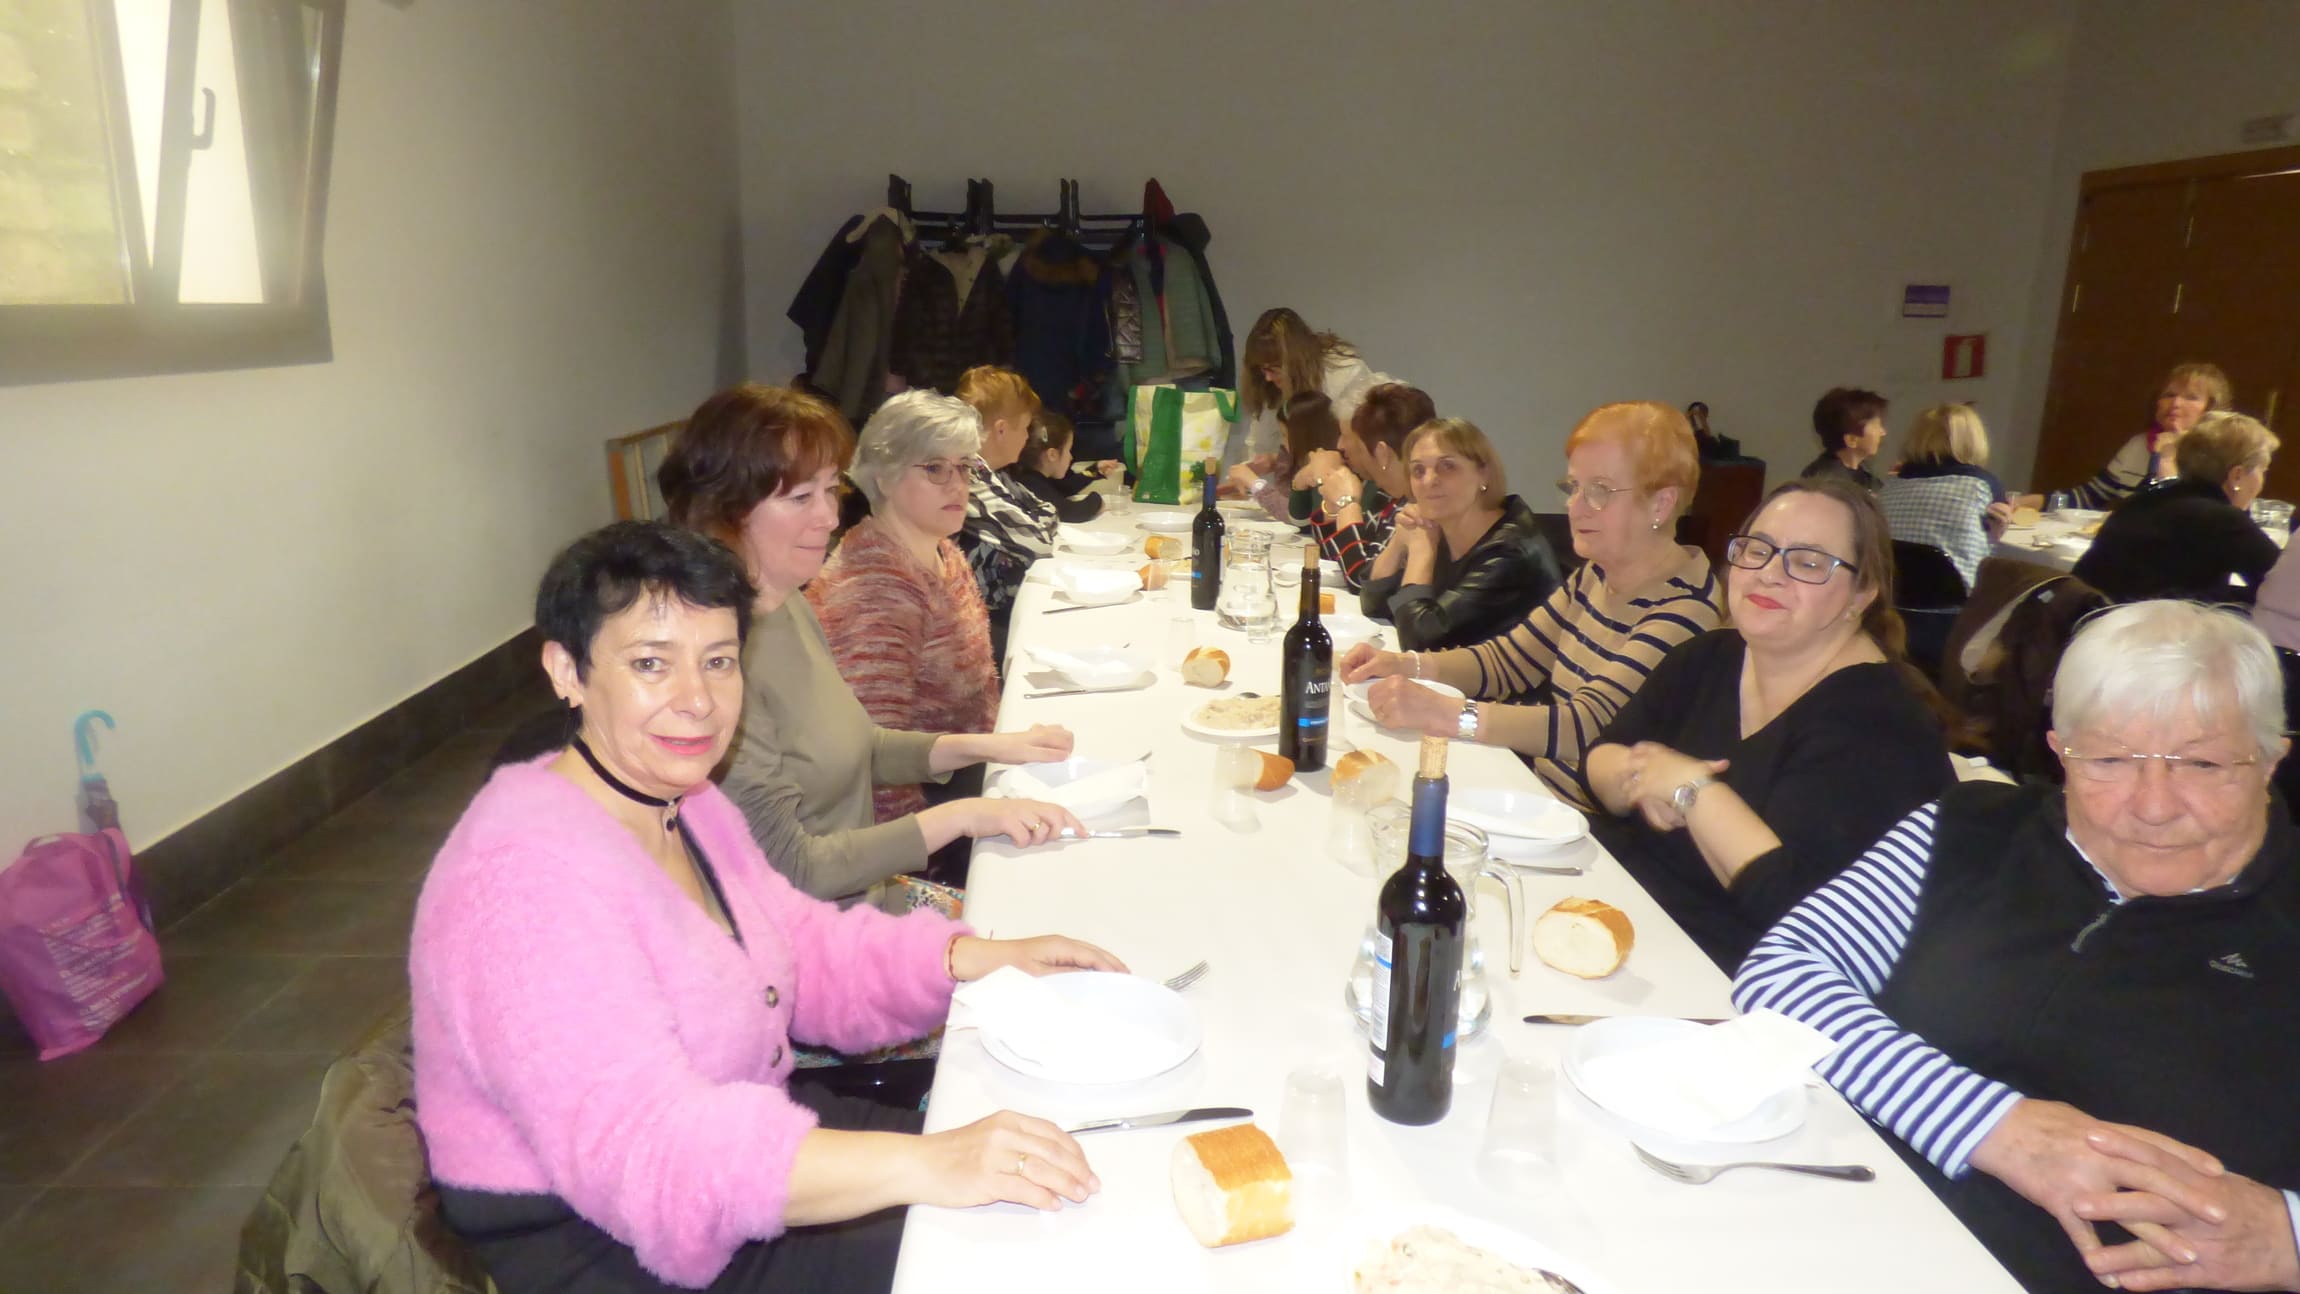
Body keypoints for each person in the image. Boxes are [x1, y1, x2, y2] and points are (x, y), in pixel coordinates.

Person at [411, 520, 1125, 1294]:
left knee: (1062, 1177)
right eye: (651, 664)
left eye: (718, 661)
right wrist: (927, 1164)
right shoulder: (523, 881)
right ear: (567, 671)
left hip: (736, 1145)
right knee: (1018, 1254)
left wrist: (969, 958)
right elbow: (652, 1153)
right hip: (612, 1240)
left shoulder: (685, 803)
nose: (697, 700)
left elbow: (797, 944)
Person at [1735, 601, 2300, 1294]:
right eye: (2109, 759)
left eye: (2203, 763)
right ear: (2061, 752)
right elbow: (1780, 973)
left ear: (2271, 760)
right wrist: (1989, 1126)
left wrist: (2287, 1239)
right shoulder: (1972, 830)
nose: (2154, 806)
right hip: (1821, 1237)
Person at [658, 383, 1081, 905]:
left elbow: (860, 745)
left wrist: (987, 746)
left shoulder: (783, 603)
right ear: (729, 510)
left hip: (868, 901)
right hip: (814, 936)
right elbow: (794, 868)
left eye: (829, 490)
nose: (830, 518)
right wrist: (964, 816)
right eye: (800, 497)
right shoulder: (715, 666)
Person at [1580, 478, 1953, 969]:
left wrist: (1691, 790)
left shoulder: (1881, 725)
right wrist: (1643, 775)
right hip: (1634, 923)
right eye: (1757, 550)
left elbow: (1793, 910)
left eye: (1809, 563)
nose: (1770, 574)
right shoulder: (1709, 656)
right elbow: (1599, 760)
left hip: (1739, 978)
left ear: (1861, 594)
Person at [1340, 402, 1722, 806]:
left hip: (1595, 826)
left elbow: (1585, 725)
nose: (1574, 506)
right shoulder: (1597, 574)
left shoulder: (1685, 607)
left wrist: (1445, 713)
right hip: (1541, 795)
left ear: (1661, 504)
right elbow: (1507, 660)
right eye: (1574, 488)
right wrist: (1405, 665)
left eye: (1599, 491)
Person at [807, 392, 1000, 826]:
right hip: (930, 812)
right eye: (935, 468)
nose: (957, 484)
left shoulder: (941, 552)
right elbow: (874, 769)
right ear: (884, 478)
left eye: (964, 467)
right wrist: (923, 858)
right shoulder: (875, 589)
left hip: (972, 772)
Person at [1356, 417, 1562, 651]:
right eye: (1418, 470)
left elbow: (1421, 643)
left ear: (1484, 474)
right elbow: (1373, 605)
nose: (1429, 480)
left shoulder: (1510, 553)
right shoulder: (1444, 525)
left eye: (1447, 466)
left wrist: (1421, 551)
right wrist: (1399, 541)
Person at [2073, 410, 2281, 606]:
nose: (2262, 481)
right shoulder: (2222, 520)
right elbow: (2286, 589)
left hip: (2097, 621)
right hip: (2155, 628)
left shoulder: (2142, 500)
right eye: (2263, 470)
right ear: (2237, 475)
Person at [2021, 362, 2233, 512]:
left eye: (2191, 397)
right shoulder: (2138, 445)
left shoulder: (2218, 456)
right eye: (2169, 395)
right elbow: (2091, 496)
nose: (2175, 403)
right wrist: (2030, 502)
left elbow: (2182, 517)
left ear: (2210, 409)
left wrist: (2168, 459)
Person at [952, 365, 1060, 655]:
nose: (1027, 437)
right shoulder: (967, 476)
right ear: (1001, 429)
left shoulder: (992, 473)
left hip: (990, 613)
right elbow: (1039, 541)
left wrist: (1039, 523)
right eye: (1024, 427)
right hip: (975, 626)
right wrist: (1039, 524)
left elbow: (1048, 511)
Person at [1293, 382, 1433, 591]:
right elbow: (1336, 560)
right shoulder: (1387, 496)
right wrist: (1333, 507)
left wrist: (1347, 504)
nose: (1339, 445)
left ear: (1382, 453)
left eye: (1347, 437)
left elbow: (1363, 583)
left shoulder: (1416, 505)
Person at [1227, 305, 1387, 471]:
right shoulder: (1269, 386)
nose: (1268, 377)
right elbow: (1259, 443)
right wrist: (1260, 464)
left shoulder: (1345, 375)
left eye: (1274, 368)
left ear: (1295, 362)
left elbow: (1369, 444)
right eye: (1262, 369)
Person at [1878, 403, 2015, 590]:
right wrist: (1995, 535)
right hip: (1957, 597)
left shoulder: (1889, 486)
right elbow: (1984, 548)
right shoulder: (1982, 485)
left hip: (1894, 591)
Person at [1006, 411, 1112, 524]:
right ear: (1052, 455)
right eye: (1068, 450)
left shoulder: (1032, 477)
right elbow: (1068, 511)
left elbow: (1063, 488)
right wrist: (1097, 500)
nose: (1071, 457)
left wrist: (1094, 471)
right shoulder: (1031, 484)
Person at [1799, 387, 1889, 491]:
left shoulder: (1864, 478)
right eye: (1876, 425)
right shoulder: (1826, 484)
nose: (1883, 432)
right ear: (1852, 440)